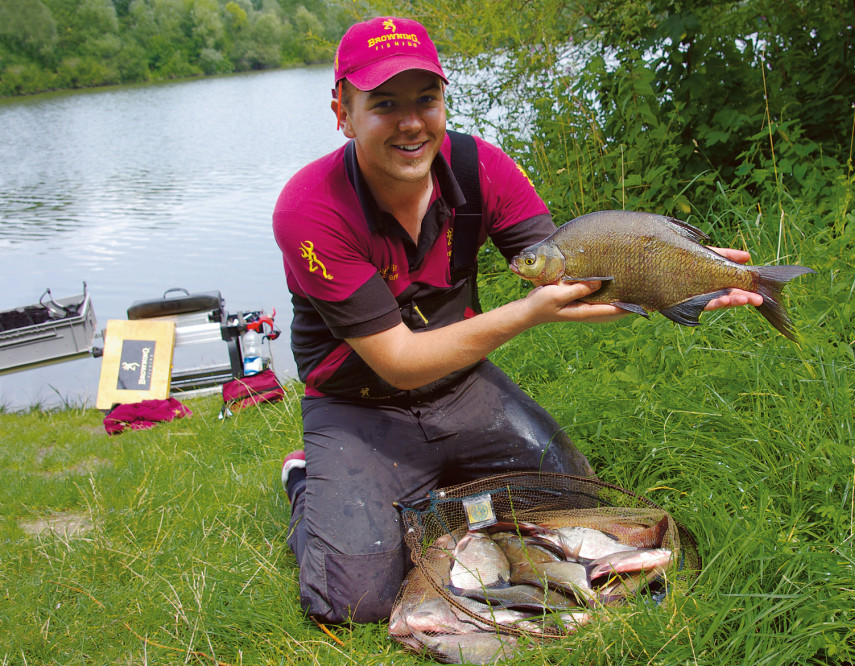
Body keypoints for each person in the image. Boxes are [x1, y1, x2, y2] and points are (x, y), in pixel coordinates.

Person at [272, 16, 762, 625]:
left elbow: (571, 277)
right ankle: (308, 480)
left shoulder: (481, 169)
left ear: (443, 101)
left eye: (426, 99)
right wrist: (526, 313)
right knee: (354, 602)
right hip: (358, 404)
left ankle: (426, 484)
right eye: (384, 103)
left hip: (461, 386)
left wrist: (678, 288)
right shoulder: (310, 209)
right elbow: (397, 362)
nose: (410, 122)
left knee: (571, 501)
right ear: (342, 112)